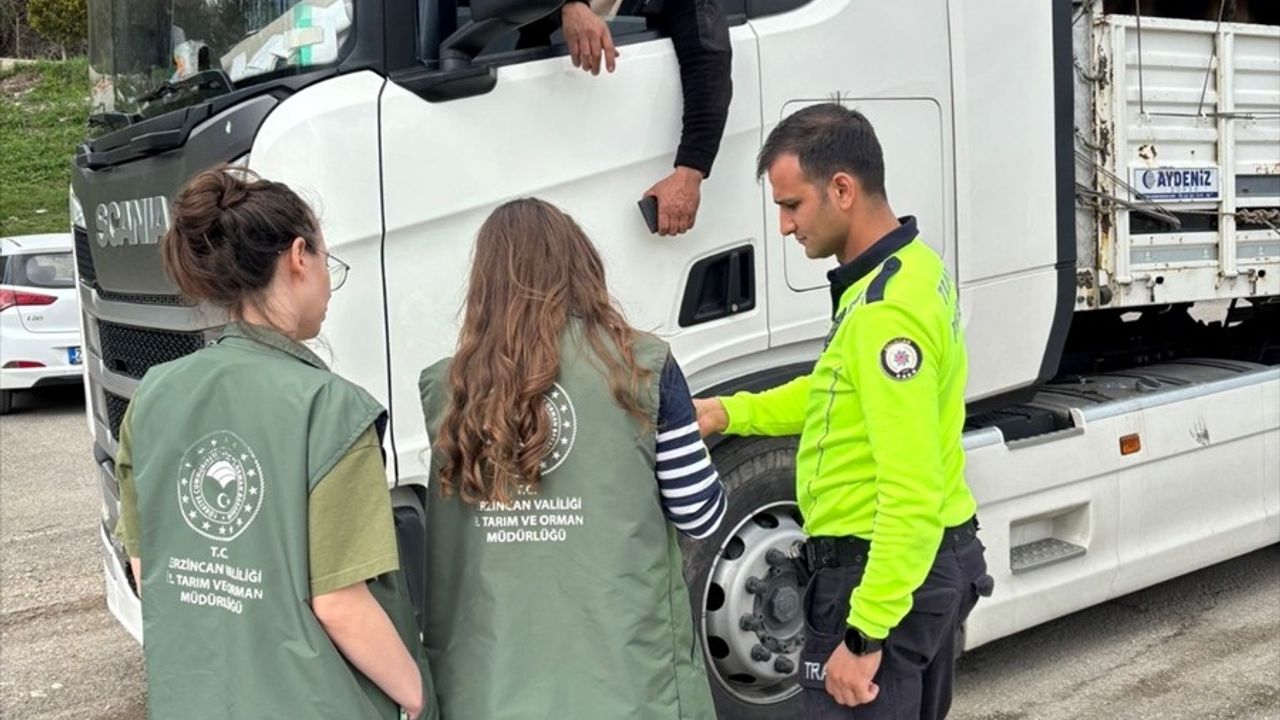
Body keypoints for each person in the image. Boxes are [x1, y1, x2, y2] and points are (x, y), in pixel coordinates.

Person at [693, 104, 993, 719]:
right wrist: (726, 413)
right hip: (920, 564)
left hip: (876, 573)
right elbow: (835, 394)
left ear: (842, 190)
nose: (784, 226)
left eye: (792, 205)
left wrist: (864, 637)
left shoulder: (885, 313)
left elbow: (911, 490)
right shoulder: (910, 268)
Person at [113, 166, 435, 720]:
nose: (328, 282)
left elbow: (149, 566)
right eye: (328, 261)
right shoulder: (330, 409)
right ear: (299, 257)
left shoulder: (154, 395)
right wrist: (418, 696)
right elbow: (340, 603)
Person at [418, 198, 726, 718]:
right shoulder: (642, 365)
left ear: (484, 284)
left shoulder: (448, 387)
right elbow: (700, 513)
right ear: (581, 266)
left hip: (491, 688)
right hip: (628, 683)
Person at [519, 0, 732, 236]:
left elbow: (707, 65)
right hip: (535, 141)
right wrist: (569, 5)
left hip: (624, 160)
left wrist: (689, 174)